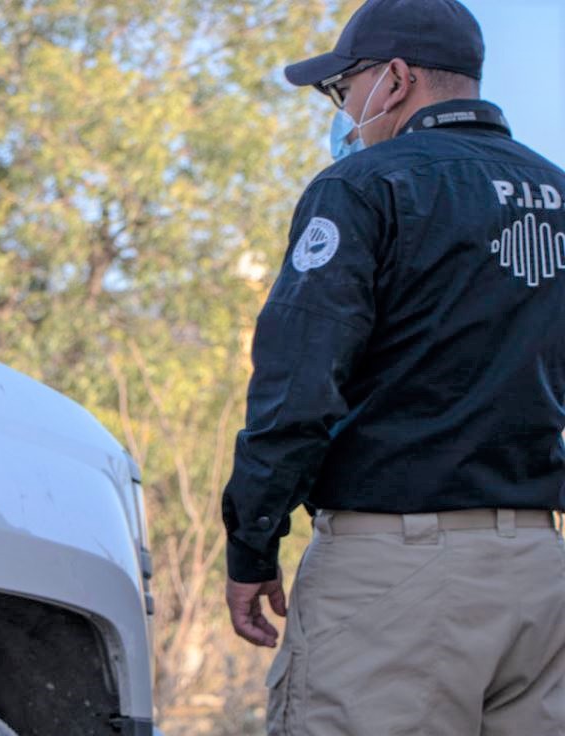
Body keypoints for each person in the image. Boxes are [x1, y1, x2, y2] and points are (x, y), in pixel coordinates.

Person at [219, 0, 565, 733]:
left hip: (396, 576)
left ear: (397, 79)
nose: (345, 110)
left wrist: (252, 544)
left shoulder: (365, 187)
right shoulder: (559, 195)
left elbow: (298, 390)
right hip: (541, 573)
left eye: (345, 89)